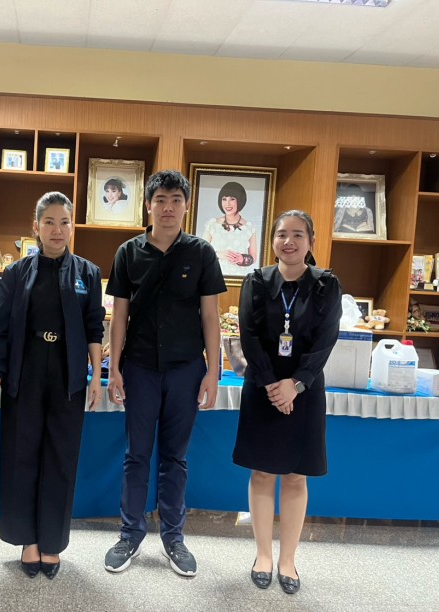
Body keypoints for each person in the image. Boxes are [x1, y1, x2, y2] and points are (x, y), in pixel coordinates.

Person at [104, 170, 226, 577]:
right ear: (148, 205)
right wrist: (114, 369)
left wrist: (213, 372)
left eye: (176, 200)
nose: (168, 207)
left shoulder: (201, 253)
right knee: (136, 456)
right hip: (139, 368)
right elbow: (119, 316)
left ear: (186, 206)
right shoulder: (128, 252)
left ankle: (174, 538)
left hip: (186, 370)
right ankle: (129, 535)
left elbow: (210, 316)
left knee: (176, 457)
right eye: (160, 200)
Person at [0, 191, 104, 579]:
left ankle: (51, 541)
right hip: (26, 370)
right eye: (49, 222)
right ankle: (28, 540)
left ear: (72, 227)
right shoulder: (17, 272)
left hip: (68, 375)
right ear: (35, 227)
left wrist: (96, 375)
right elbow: (2, 328)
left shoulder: (87, 273)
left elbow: (94, 327)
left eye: (64, 222)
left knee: (60, 457)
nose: (57, 229)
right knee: (22, 455)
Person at [233, 210, 342, 595]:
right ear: (273, 240)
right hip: (263, 387)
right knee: (263, 473)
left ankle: (288, 560)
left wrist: (295, 384)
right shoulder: (257, 281)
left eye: (298, 234)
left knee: (296, 476)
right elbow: (249, 337)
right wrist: (272, 385)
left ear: (311, 241)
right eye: (282, 234)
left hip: (305, 391)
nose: (289, 241)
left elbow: (326, 340)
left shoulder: (326, 285)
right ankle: (263, 555)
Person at [202, 181, 257, 277]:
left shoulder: (249, 227)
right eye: (224, 199)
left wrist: (242, 259)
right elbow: (202, 253)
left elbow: (254, 257)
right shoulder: (212, 224)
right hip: (214, 277)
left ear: (240, 200)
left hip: (239, 279)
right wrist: (219, 254)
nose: (227, 204)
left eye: (232, 199)